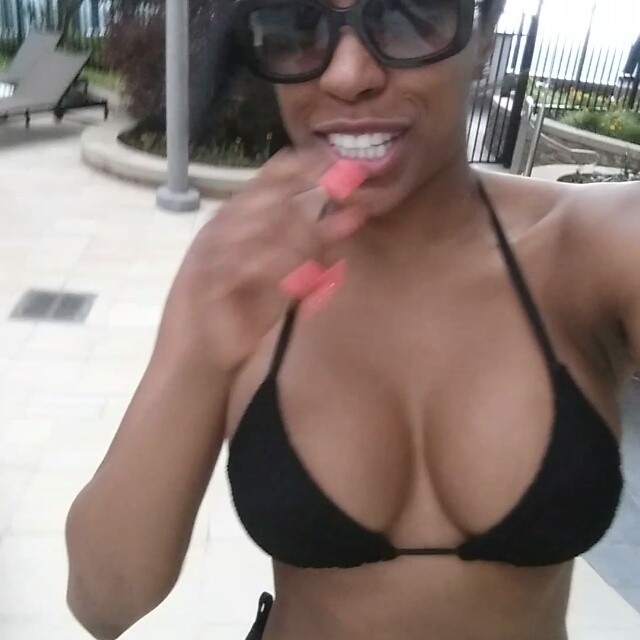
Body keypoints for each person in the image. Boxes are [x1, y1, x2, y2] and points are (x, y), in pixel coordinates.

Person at [65, 1, 640, 639]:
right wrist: (198, 354)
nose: (346, 75)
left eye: (404, 15)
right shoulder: (247, 269)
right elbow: (104, 602)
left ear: (482, 35)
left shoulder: (597, 248)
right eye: (297, 24)